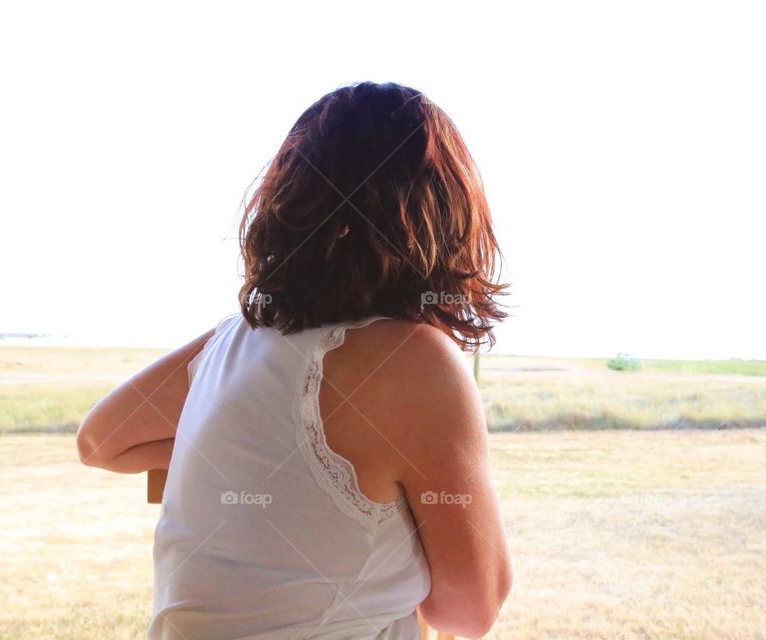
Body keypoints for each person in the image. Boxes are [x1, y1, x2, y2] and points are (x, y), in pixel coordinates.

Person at [76, 81, 512, 640]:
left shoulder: (234, 340)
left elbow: (100, 440)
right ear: (445, 214)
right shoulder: (416, 362)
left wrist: (246, 455)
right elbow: (469, 614)